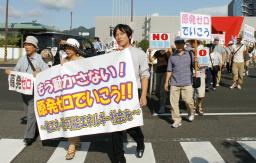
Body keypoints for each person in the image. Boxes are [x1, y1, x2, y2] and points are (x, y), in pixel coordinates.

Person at [112, 24, 150, 163]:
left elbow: (145, 75)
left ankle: (140, 142)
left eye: (121, 34)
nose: (119, 37)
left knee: (131, 126)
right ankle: (119, 158)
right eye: (116, 34)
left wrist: (143, 95)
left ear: (129, 35)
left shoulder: (138, 53)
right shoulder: (112, 53)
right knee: (115, 127)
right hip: (114, 95)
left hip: (132, 93)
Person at [5, 36, 49, 146]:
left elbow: (48, 73)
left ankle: (29, 136)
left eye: (29, 45)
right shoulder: (22, 58)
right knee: (28, 112)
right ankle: (37, 127)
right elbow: (16, 70)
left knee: (31, 113)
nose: (27, 47)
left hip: (35, 91)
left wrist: (39, 74)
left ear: (35, 47)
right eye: (25, 44)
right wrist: (10, 72)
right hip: (24, 91)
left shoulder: (40, 59)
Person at [60, 38, 85, 160]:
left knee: (74, 120)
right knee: (71, 119)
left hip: (79, 96)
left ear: (76, 49)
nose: (67, 50)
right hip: (67, 95)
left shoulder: (82, 61)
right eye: (66, 48)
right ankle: (74, 144)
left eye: (70, 48)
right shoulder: (64, 60)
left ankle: (73, 145)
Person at [164, 36, 196, 128]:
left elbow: (195, 66)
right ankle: (177, 120)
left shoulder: (190, 54)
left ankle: (191, 112)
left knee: (188, 101)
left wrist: (197, 62)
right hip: (174, 83)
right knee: (173, 103)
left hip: (187, 82)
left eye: (181, 42)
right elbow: (169, 70)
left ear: (184, 43)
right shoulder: (172, 56)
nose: (179, 44)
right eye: (177, 43)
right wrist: (166, 82)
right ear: (175, 44)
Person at [149, 49, 172, 113]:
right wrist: (150, 53)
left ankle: (162, 106)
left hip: (166, 72)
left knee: (162, 89)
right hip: (158, 72)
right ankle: (163, 100)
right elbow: (151, 60)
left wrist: (169, 52)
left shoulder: (167, 52)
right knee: (157, 89)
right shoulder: (157, 52)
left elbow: (171, 59)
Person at [188, 39, 206, 116]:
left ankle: (199, 106)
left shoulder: (203, 51)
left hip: (200, 74)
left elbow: (205, 63)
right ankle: (193, 107)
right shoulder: (188, 51)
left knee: (201, 94)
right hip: (190, 75)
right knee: (190, 93)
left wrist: (197, 63)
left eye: (193, 42)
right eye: (191, 42)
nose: (191, 43)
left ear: (197, 43)